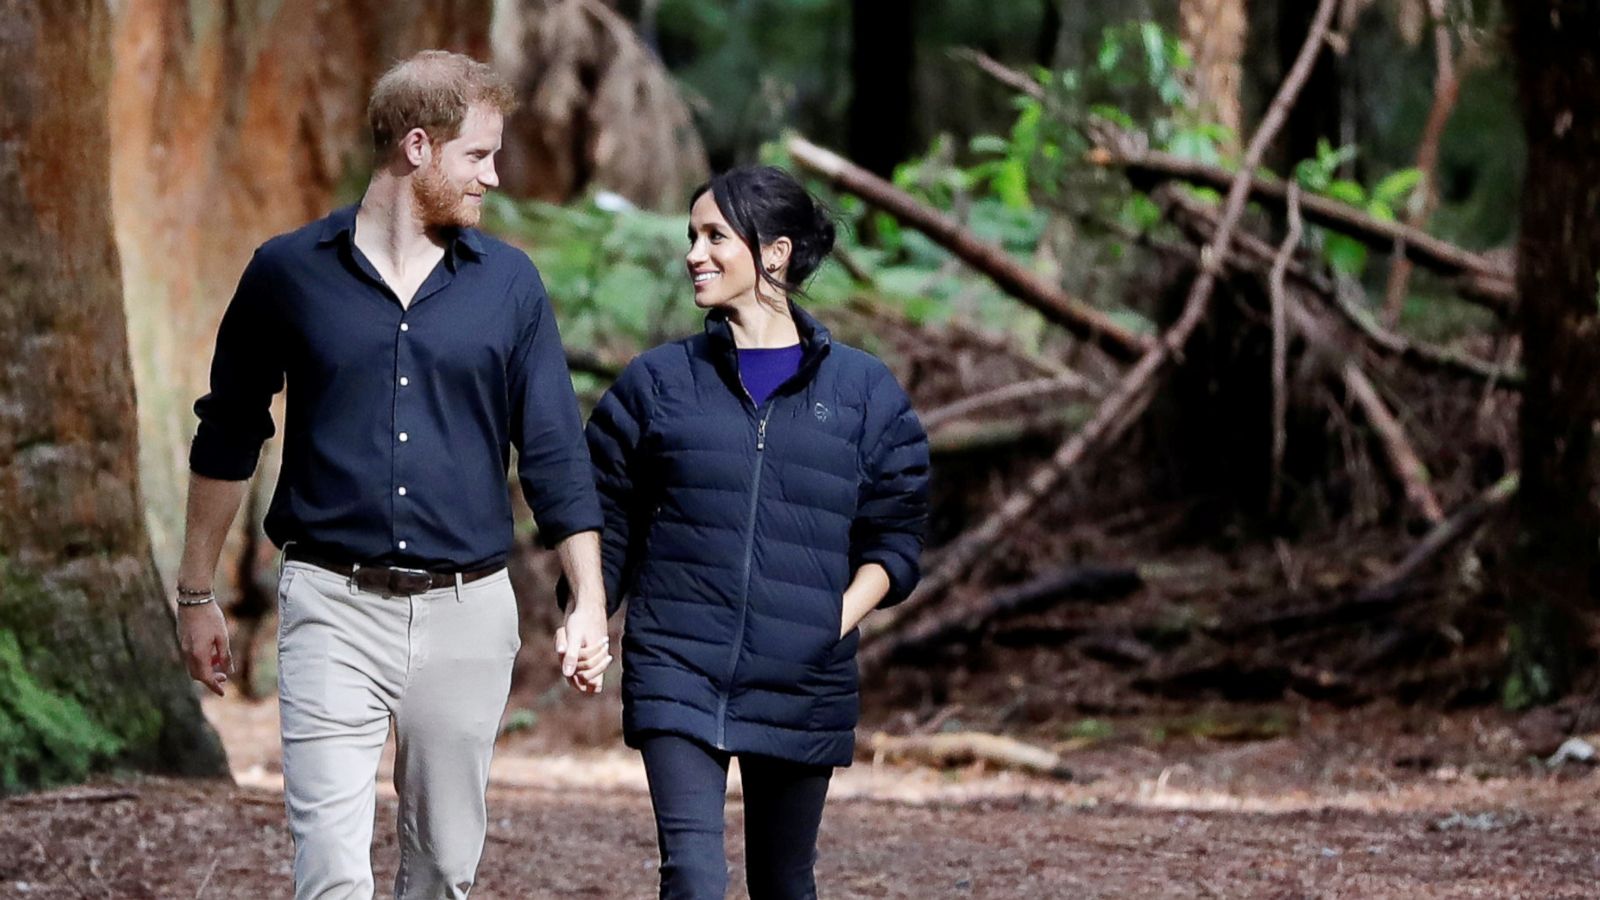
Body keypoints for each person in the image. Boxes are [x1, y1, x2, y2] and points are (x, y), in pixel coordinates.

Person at [171, 50, 613, 899]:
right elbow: (228, 433)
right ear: (418, 147)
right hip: (330, 606)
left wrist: (586, 598)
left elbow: (555, 452)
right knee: (331, 873)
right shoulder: (287, 273)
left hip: (466, 613)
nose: (493, 176)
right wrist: (197, 594)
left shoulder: (510, 287)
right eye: (478, 155)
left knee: (443, 869)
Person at [584, 165, 930, 898]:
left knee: (784, 883)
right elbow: (605, 514)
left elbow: (895, 537)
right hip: (677, 661)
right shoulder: (657, 384)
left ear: (774, 253)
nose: (694, 254)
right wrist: (587, 611)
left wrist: (828, 619)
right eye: (691, 236)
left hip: (804, 673)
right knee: (694, 878)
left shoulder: (865, 393)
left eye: (715, 236)